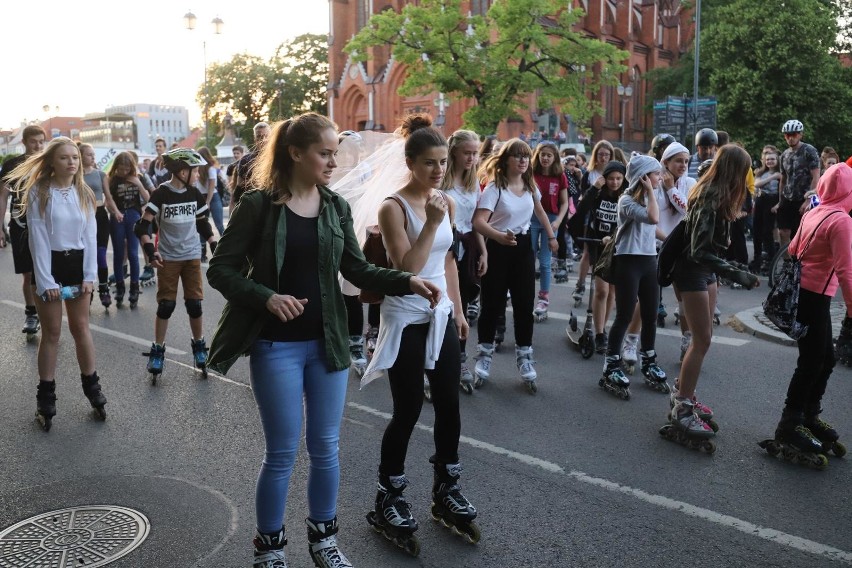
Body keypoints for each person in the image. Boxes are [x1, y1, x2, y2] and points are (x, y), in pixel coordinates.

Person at [206, 112, 440, 567]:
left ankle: (324, 542)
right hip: (276, 346)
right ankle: (270, 548)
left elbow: (356, 270)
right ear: (295, 153)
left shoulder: (335, 206)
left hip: (328, 343)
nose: (334, 162)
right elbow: (220, 269)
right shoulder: (258, 205)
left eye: (336, 153)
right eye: (325, 153)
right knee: (280, 454)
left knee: (326, 448)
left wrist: (405, 281)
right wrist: (267, 297)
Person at [359, 113, 478, 552]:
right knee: (407, 408)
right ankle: (389, 492)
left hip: (440, 314)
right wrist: (429, 221)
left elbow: (447, 261)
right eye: (429, 162)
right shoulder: (393, 207)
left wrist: (460, 311)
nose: (438, 170)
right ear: (410, 162)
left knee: (449, 403)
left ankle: (446, 485)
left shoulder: (441, 199)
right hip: (406, 315)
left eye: (443, 162)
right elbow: (405, 267)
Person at [11, 137, 107, 430]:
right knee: (51, 333)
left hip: (77, 265)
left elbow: (90, 238)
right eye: (64, 157)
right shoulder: (41, 192)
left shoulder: (85, 192)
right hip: (50, 265)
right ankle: (46, 398)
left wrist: (90, 276)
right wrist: (45, 279)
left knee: (81, 329)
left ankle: (93, 389)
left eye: (75, 157)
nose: (71, 162)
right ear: (52, 161)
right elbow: (38, 238)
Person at [669, 145, 759, 441]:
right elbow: (698, 251)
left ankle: (685, 392)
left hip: (705, 272)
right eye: (745, 170)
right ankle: (681, 406)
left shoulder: (719, 195)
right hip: (692, 271)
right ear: (734, 170)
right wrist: (736, 273)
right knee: (702, 340)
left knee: (703, 340)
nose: (748, 176)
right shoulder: (709, 196)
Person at [766, 162, 852, 465]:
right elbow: (845, 272)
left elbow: (791, 250)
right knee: (812, 361)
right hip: (815, 297)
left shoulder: (813, 211)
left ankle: (809, 415)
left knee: (823, 359)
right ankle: (790, 424)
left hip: (805, 295)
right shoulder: (841, 219)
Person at [472, 138, 558, 392]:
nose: (522, 160)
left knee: (523, 304)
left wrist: (551, 236)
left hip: (522, 248)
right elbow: (479, 221)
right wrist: (498, 236)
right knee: (492, 304)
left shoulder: (530, 185)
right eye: (517, 156)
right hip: (499, 247)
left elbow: (540, 211)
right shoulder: (495, 187)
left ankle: (524, 355)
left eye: (525, 156)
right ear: (506, 159)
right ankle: (485, 354)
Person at [136, 148, 218, 380]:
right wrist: (151, 251)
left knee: (195, 304)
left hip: (191, 255)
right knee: (166, 306)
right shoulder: (162, 194)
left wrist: (212, 242)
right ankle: (158, 350)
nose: (197, 175)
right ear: (182, 171)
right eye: (195, 171)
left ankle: (199, 346)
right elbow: (143, 226)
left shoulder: (194, 193)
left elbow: (202, 223)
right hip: (169, 258)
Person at [599, 155, 668, 398]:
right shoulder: (626, 200)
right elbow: (652, 217)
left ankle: (648, 359)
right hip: (628, 261)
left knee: (650, 314)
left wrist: (668, 241)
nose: (660, 177)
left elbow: (653, 226)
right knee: (625, 315)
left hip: (649, 260)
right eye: (656, 174)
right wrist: (649, 191)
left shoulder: (651, 197)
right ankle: (611, 363)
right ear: (644, 177)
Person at [441, 129, 485, 392]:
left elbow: (476, 221)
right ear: (454, 151)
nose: (471, 158)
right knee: (438, 307)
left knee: (462, 305)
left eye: (475, 153)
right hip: (442, 248)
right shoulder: (441, 182)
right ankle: (431, 363)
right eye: (467, 152)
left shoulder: (473, 182)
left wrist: (484, 251)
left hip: (467, 248)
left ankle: (459, 358)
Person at [570, 160, 625, 353]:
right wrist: (594, 187)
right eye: (611, 178)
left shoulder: (625, 197)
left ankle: (603, 329)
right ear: (605, 178)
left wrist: (615, 237)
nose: (615, 182)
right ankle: (600, 333)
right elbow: (581, 210)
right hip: (598, 246)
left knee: (612, 292)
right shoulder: (598, 194)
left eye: (619, 178)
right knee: (601, 290)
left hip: (617, 246)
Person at [0, 125, 46, 337]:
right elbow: (2, 197)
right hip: (20, 224)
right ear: (24, 142)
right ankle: (31, 313)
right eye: (33, 142)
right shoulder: (12, 165)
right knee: (27, 273)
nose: (38, 146)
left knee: (45, 271)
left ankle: (47, 314)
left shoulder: (49, 162)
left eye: (41, 141)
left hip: (46, 225)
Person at [530, 140, 570, 322]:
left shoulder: (559, 176)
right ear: (537, 156)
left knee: (545, 262)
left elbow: (564, 203)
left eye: (549, 155)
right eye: (542, 154)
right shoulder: (530, 173)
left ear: (554, 158)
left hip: (552, 220)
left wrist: (559, 221)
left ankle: (543, 298)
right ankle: (524, 292)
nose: (545, 158)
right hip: (530, 219)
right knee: (528, 258)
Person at [572, 140, 614, 305]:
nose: (603, 158)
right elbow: (584, 196)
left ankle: (605, 286)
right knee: (587, 252)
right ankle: (580, 285)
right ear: (595, 156)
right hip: (592, 218)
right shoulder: (590, 173)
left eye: (606, 155)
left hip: (608, 217)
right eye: (600, 154)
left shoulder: (615, 173)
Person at [107, 151, 150, 308]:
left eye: (126, 169)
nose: (124, 172)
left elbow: (148, 199)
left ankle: (134, 287)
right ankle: (119, 287)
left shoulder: (137, 178)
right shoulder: (111, 179)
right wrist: (115, 212)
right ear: (116, 167)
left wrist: (138, 183)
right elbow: (108, 201)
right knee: (119, 253)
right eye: (121, 169)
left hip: (133, 215)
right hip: (117, 217)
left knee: (133, 253)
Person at [80, 143, 119, 308]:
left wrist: (116, 212)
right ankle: (87, 291)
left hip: (101, 216)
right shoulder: (74, 175)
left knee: (101, 255)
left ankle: (104, 289)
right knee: (84, 255)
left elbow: (108, 197)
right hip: (82, 217)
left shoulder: (101, 174)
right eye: (89, 154)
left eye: (93, 154)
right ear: (80, 156)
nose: (93, 157)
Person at [772, 120, 820, 247]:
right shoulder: (784, 155)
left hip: (803, 197)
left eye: (794, 134)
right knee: (783, 232)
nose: (790, 138)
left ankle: (799, 263)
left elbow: (816, 176)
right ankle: (787, 264)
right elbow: (783, 179)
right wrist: (780, 201)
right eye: (787, 135)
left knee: (800, 233)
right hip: (787, 197)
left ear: (800, 135)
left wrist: (808, 200)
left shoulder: (809, 150)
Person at [752, 145, 782, 273]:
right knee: (756, 231)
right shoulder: (761, 172)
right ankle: (757, 258)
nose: (770, 161)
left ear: (777, 161)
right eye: (768, 159)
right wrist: (773, 177)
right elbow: (757, 184)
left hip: (772, 201)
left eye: (772, 159)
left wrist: (779, 204)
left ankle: (771, 260)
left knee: (767, 232)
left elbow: (782, 191)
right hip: (760, 201)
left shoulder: (781, 174)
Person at [232, 122, 271, 212]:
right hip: (252, 207)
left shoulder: (279, 158)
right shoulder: (246, 160)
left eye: (266, 136)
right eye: (259, 136)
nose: (263, 139)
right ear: (255, 138)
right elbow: (239, 188)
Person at [197, 147, 225, 260]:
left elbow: (212, 186)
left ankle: (227, 249)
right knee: (203, 225)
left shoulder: (211, 169)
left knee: (219, 224)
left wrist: (207, 202)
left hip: (213, 197)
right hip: (202, 197)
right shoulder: (197, 169)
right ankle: (202, 253)